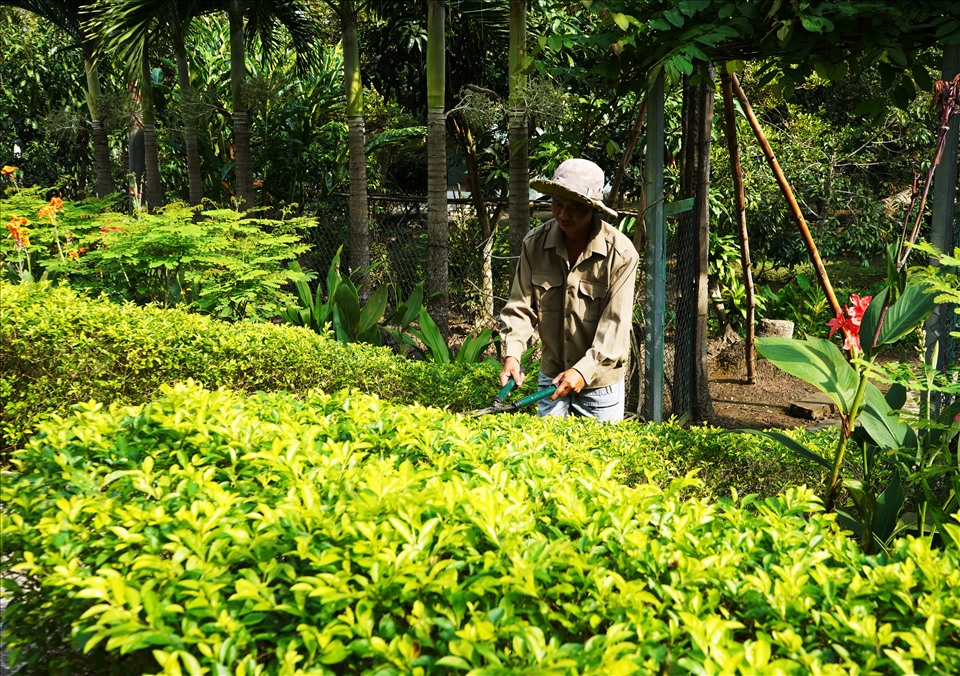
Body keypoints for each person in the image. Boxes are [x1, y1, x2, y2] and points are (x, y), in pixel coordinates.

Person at [499, 158, 639, 421]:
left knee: (600, 458)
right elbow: (520, 307)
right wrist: (513, 355)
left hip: (600, 384)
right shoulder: (534, 244)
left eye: (574, 208)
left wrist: (583, 371)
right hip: (552, 377)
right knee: (547, 458)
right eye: (557, 204)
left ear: (593, 209)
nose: (563, 215)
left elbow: (615, 326)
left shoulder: (620, 254)